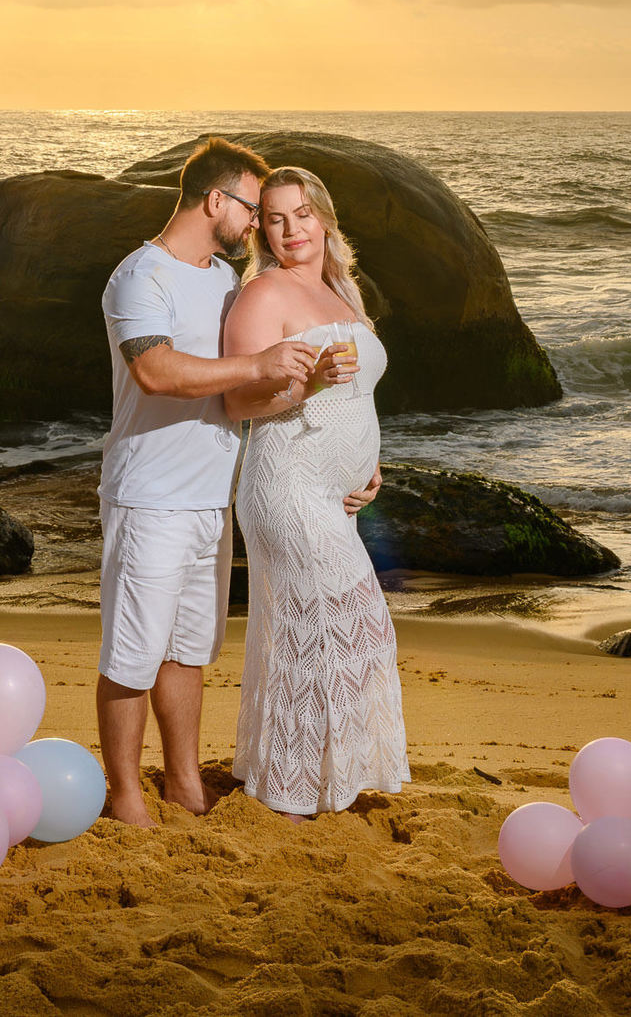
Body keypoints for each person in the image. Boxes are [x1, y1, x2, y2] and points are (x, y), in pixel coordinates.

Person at [97, 136, 324, 828]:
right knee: (133, 654)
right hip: (148, 496)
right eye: (254, 209)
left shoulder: (225, 280)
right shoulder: (141, 276)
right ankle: (125, 793)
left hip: (210, 499)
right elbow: (157, 372)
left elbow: (249, 389)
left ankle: (184, 782)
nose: (258, 225)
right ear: (215, 199)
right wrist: (258, 365)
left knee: (189, 649)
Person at [223, 166, 409, 820]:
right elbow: (238, 400)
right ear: (262, 231)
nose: (291, 229)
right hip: (286, 481)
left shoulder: (343, 289)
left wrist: (369, 463)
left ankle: (316, 777)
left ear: (323, 215)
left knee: (315, 630)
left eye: (301, 213)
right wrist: (312, 385)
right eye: (275, 218)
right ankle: (293, 793)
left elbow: (359, 392)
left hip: (335, 493)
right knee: (347, 621)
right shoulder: (262, 295)